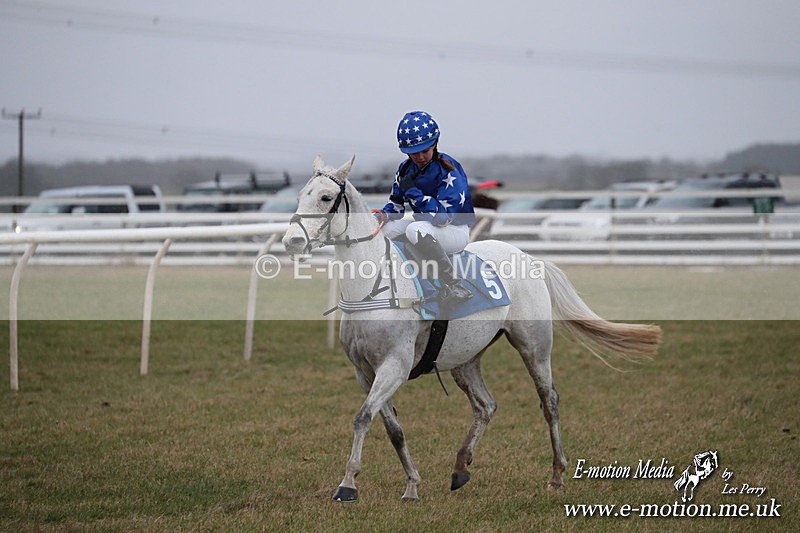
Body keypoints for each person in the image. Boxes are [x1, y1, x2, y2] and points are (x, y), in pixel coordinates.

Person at [379, 110, 475, 305]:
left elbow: (442, 218)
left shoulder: (449, 170)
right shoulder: (405, 169)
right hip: (428, 228)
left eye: (425, 151)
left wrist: (415, 194)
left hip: (454, 230)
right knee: (385, 231)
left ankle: (454, 284)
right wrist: (381, 215)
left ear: (435, 145)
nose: (420, 157)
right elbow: (397, 207)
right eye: (414, 153)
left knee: (415, 229)